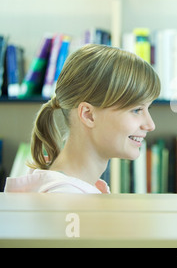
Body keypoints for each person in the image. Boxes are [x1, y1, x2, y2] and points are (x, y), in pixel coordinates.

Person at [4, 44, 160, 193]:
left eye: (148, 109)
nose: (150, 125)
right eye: (137, 110)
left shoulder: (70, 189)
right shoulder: (65, 199)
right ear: (88, 115)